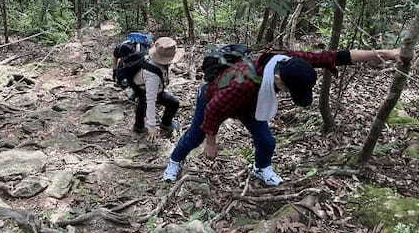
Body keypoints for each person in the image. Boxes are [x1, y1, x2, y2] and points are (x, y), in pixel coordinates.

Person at [161, 47, 401, 184]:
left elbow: (334, 57)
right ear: (277, 79)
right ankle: (174, 162)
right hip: (215, 98)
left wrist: (384, 53)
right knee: (196, 136)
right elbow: (213, 110)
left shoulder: (288, 62)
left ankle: (261, 168)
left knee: (267, 141)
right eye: (288, 89)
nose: (286, 94)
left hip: (249, 105)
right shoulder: (244, 82)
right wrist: (212, 143)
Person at [131, 37, 183, 141]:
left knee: (142, 103)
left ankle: (140, 125)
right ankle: (145, 126)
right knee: (172, 103)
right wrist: (152, 126)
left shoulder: (151, 59)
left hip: (141, 84)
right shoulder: (152, 76)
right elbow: (151, 101)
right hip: (144, 87)